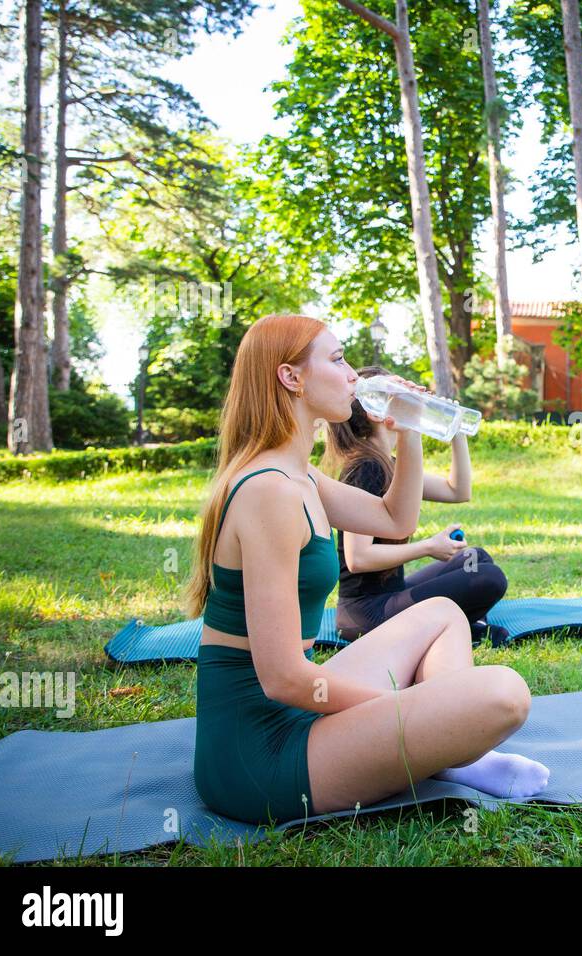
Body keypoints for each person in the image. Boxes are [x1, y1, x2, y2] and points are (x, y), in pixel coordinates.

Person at [186, 314, 549, 826]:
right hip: (260, 756)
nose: (353, 374)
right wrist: (410, 708)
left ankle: (447, 749)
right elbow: (285, 679)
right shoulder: (269, 491)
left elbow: (394, 518)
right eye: (337, 360)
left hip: (295, 714)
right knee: (503, 695)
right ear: (292, 378)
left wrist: (411, 427)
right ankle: (447, 744)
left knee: (443, 612)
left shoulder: (299, 473)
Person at [322, 365, 510, 648]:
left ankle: (458, 626)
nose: (413, 396)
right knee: (489, 578)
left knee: (476, 559)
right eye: (402, 394)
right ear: (377, 412)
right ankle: (462, 628)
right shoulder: (365, 468)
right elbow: (357, 558)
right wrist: (428, 547)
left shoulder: (390, 464)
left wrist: (456, 429)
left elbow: (457, 490)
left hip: (391, 596)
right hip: (366, 614)